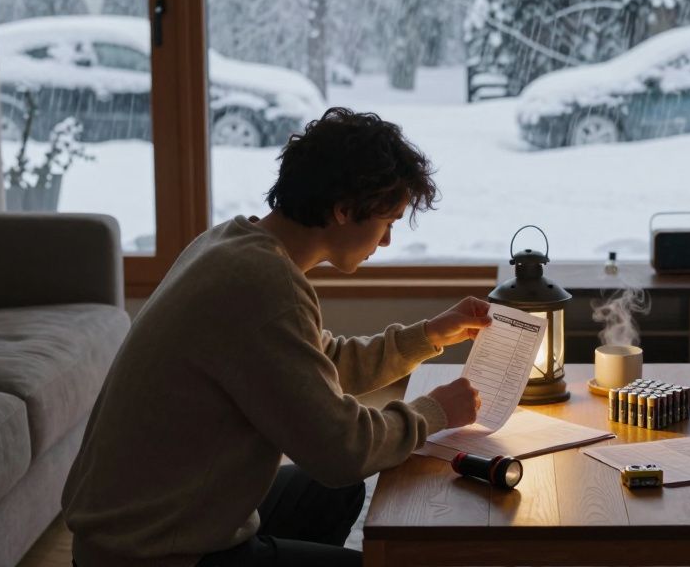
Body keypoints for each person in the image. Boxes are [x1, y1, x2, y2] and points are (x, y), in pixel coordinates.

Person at [63, 107, 490, 567]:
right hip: (154, 553)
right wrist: (435, 411)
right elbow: (342, 449)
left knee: (336, 493)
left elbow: (317, 366)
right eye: (388, 222)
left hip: (144, 523)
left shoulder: (232, 244)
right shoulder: (264, 285)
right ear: (344, 210)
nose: (386, 242)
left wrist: (428, 335)